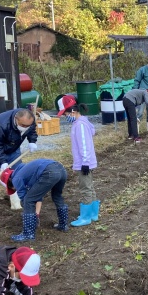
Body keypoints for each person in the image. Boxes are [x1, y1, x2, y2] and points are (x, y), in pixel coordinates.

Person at [0, 108, 38, 213]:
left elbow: (31, 130)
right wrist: (2, 161)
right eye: (23, 125)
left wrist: (32, 141)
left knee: (17, 172)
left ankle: (15, 203)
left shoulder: (29, 120)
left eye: (27, 126)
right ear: (16, 119)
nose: (25, 128)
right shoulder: (0, 124)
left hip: (14, 145)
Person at [0, 158, 69, 241]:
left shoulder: (16, 179)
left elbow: (25, 199)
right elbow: (37, 195)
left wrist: (30, 216)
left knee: (28, 200)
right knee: (57, 196)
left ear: (9, 183)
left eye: (13, 189)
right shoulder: (27, 172)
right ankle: (63, 225)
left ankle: (28, 234)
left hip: (49, 171)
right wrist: (35, 214)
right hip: (61, 169)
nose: (15, 189)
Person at [59, 96, 99, 227]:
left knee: (85, 188)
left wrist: (85, 163)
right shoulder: (82, 122)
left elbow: (84, 144)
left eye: (65, 114)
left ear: (72, 111)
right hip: (86, 162)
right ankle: (93, 213)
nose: (65, 117)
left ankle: (86, 217)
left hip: (84, 163)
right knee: (90, 187)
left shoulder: (80, 125)